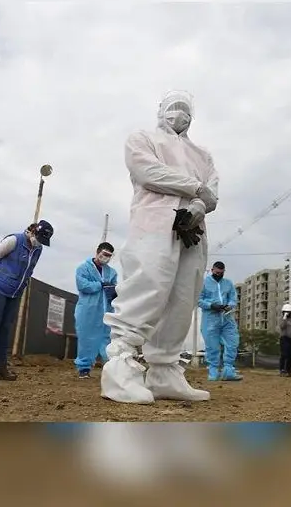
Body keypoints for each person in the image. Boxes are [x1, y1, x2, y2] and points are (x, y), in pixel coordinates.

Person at [101, 89, 219, 404]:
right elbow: (147, 172)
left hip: (193, 230)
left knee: (183, 296)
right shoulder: (142, 138)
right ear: (160, 109)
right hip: (153, 222)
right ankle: (120, 367)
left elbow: (213, 194)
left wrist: (198, 206)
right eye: (173, 105)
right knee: (148, 285)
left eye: (185, 106)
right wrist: (195, 188)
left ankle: (164, 371)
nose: (179, 110)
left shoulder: (203, 154)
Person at [0, 220, 54, 380]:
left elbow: (29, 269)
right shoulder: (14, 240)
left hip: (14, 293)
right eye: (38, 237)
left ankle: (1, 366)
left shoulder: (38, 249)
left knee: (5, 330)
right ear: (33, 231)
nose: (39, 242)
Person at [74, 242, 118, 378]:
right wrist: (100, 284)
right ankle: (84, 368)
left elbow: (115, 289)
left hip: (106, 310)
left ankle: (110, 367)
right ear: (97, 252)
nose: (106, 257)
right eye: (104, 254)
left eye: (109, 256)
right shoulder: (83, 268)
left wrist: (114, 292)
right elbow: (82, 286)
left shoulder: (112, 272)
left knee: (106, 338)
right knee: (86, 338)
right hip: (88, 310)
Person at [198, 261, 242, 381]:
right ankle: (213, 371)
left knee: (232, 343)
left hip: (227, 318)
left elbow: (233, 298)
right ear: (212, 270)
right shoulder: (204, 283)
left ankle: (228, 370)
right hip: (210, 320)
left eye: (221, 273)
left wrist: (229, 305)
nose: (219, 275)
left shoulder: (228, 283)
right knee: (212, 346)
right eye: (217, 272)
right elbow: (198, 300)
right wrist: (211, 305)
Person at [278, 304, 291, 377]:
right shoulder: (282, 319)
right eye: (286, 311)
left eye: (289, 311)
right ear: (283, 312)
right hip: (284, 338)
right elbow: (282, 326)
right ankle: (282, 370)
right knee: (284, 354)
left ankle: (289, 371)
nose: (288, 313)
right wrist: (284, 318)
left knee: (290, 355)